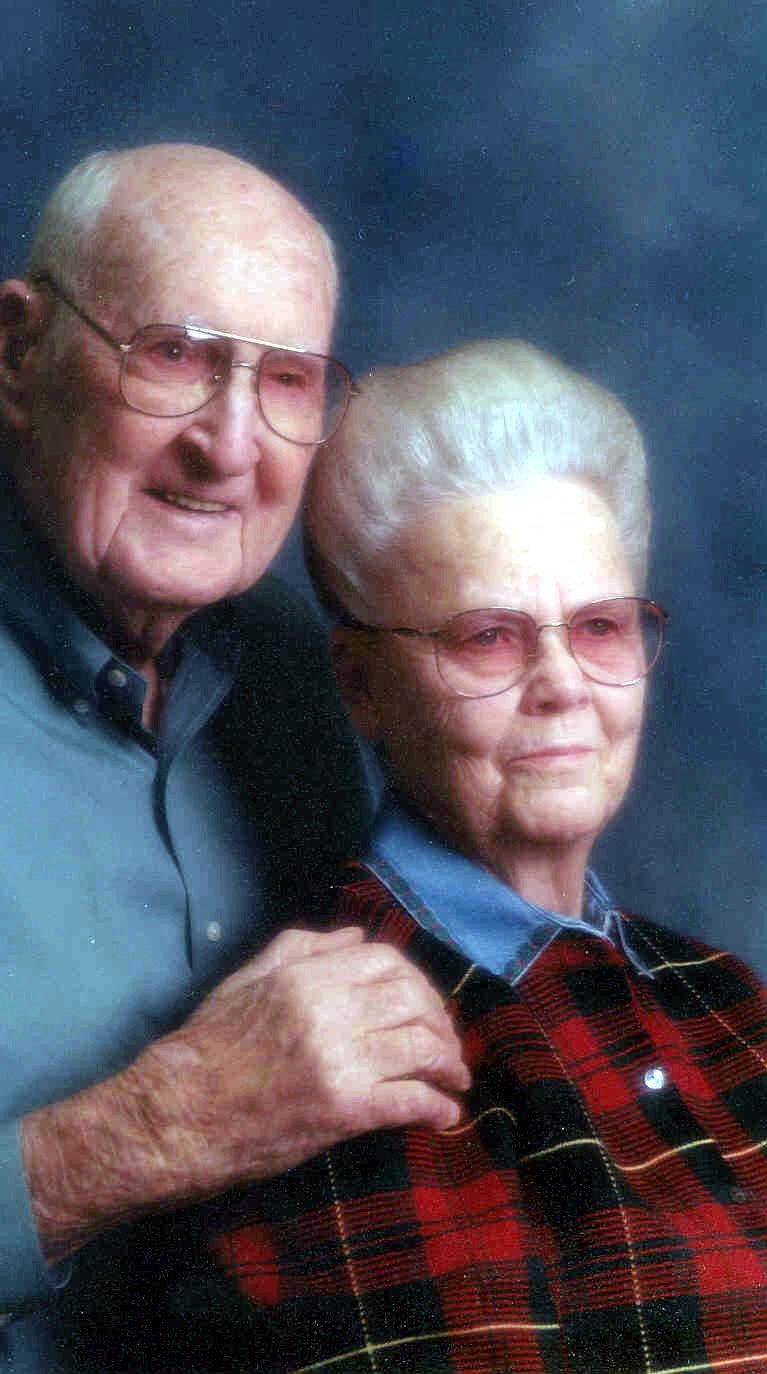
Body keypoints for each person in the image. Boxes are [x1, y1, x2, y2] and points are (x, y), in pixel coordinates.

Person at [0, 145, 469, 1372]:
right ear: (18, 351)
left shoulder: (292, 669)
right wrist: (151, 1132)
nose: (230, 445)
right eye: (175, 356)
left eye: (286, 381)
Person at [173, 341, 767, 1372]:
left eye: (600, 627)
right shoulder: (327, 1055)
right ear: (361, 685)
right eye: (488, 637)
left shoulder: (722, 998)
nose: (563, 685)